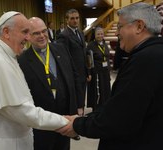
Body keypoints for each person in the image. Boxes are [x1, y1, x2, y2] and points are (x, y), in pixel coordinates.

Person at [57, 2, 163, 150]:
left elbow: (119, 119)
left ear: (139, 26)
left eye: (120, 27)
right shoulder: (154, 53)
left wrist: (77, 125)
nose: (117, 33)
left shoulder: (145, 60)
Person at [0, 11, 69, 150]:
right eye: (25, 32)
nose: (28, 37)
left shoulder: (3, 54)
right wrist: (64, 122)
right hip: (0, 143)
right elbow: (22, 111)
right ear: (6, 32)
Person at [17, 17, 84, 150]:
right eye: (36, 33)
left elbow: (75, 76)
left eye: (44, 31)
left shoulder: (61, 49)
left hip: (65, 116)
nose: (42, 36)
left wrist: (79, 105)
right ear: (28, 36)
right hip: (41, 122)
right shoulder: (22, 61)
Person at [56, 9, 87, 112]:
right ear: (67, 20)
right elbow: (64, 59)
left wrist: (88, 71)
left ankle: (81, 116)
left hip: (82, 73)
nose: (75, 20)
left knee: (82, 98)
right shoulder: (63, 35)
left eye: (77, 18)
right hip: (73, 75)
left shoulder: (80, 33)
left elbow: (83, 54)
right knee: (75, 102)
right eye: (72, 18)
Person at [86, 27, 111, 111]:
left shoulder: (104, 44)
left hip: (105, 72)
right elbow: (88, 61)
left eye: (101, 34)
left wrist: (109, 69)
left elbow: (107, 57)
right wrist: (88, 73)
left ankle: (105, 106)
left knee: (106, 89)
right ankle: (96, 108)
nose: (100, 36)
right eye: (98, 34)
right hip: (96, 73)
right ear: (95, 35)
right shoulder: (90, 46)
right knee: (97, 91)